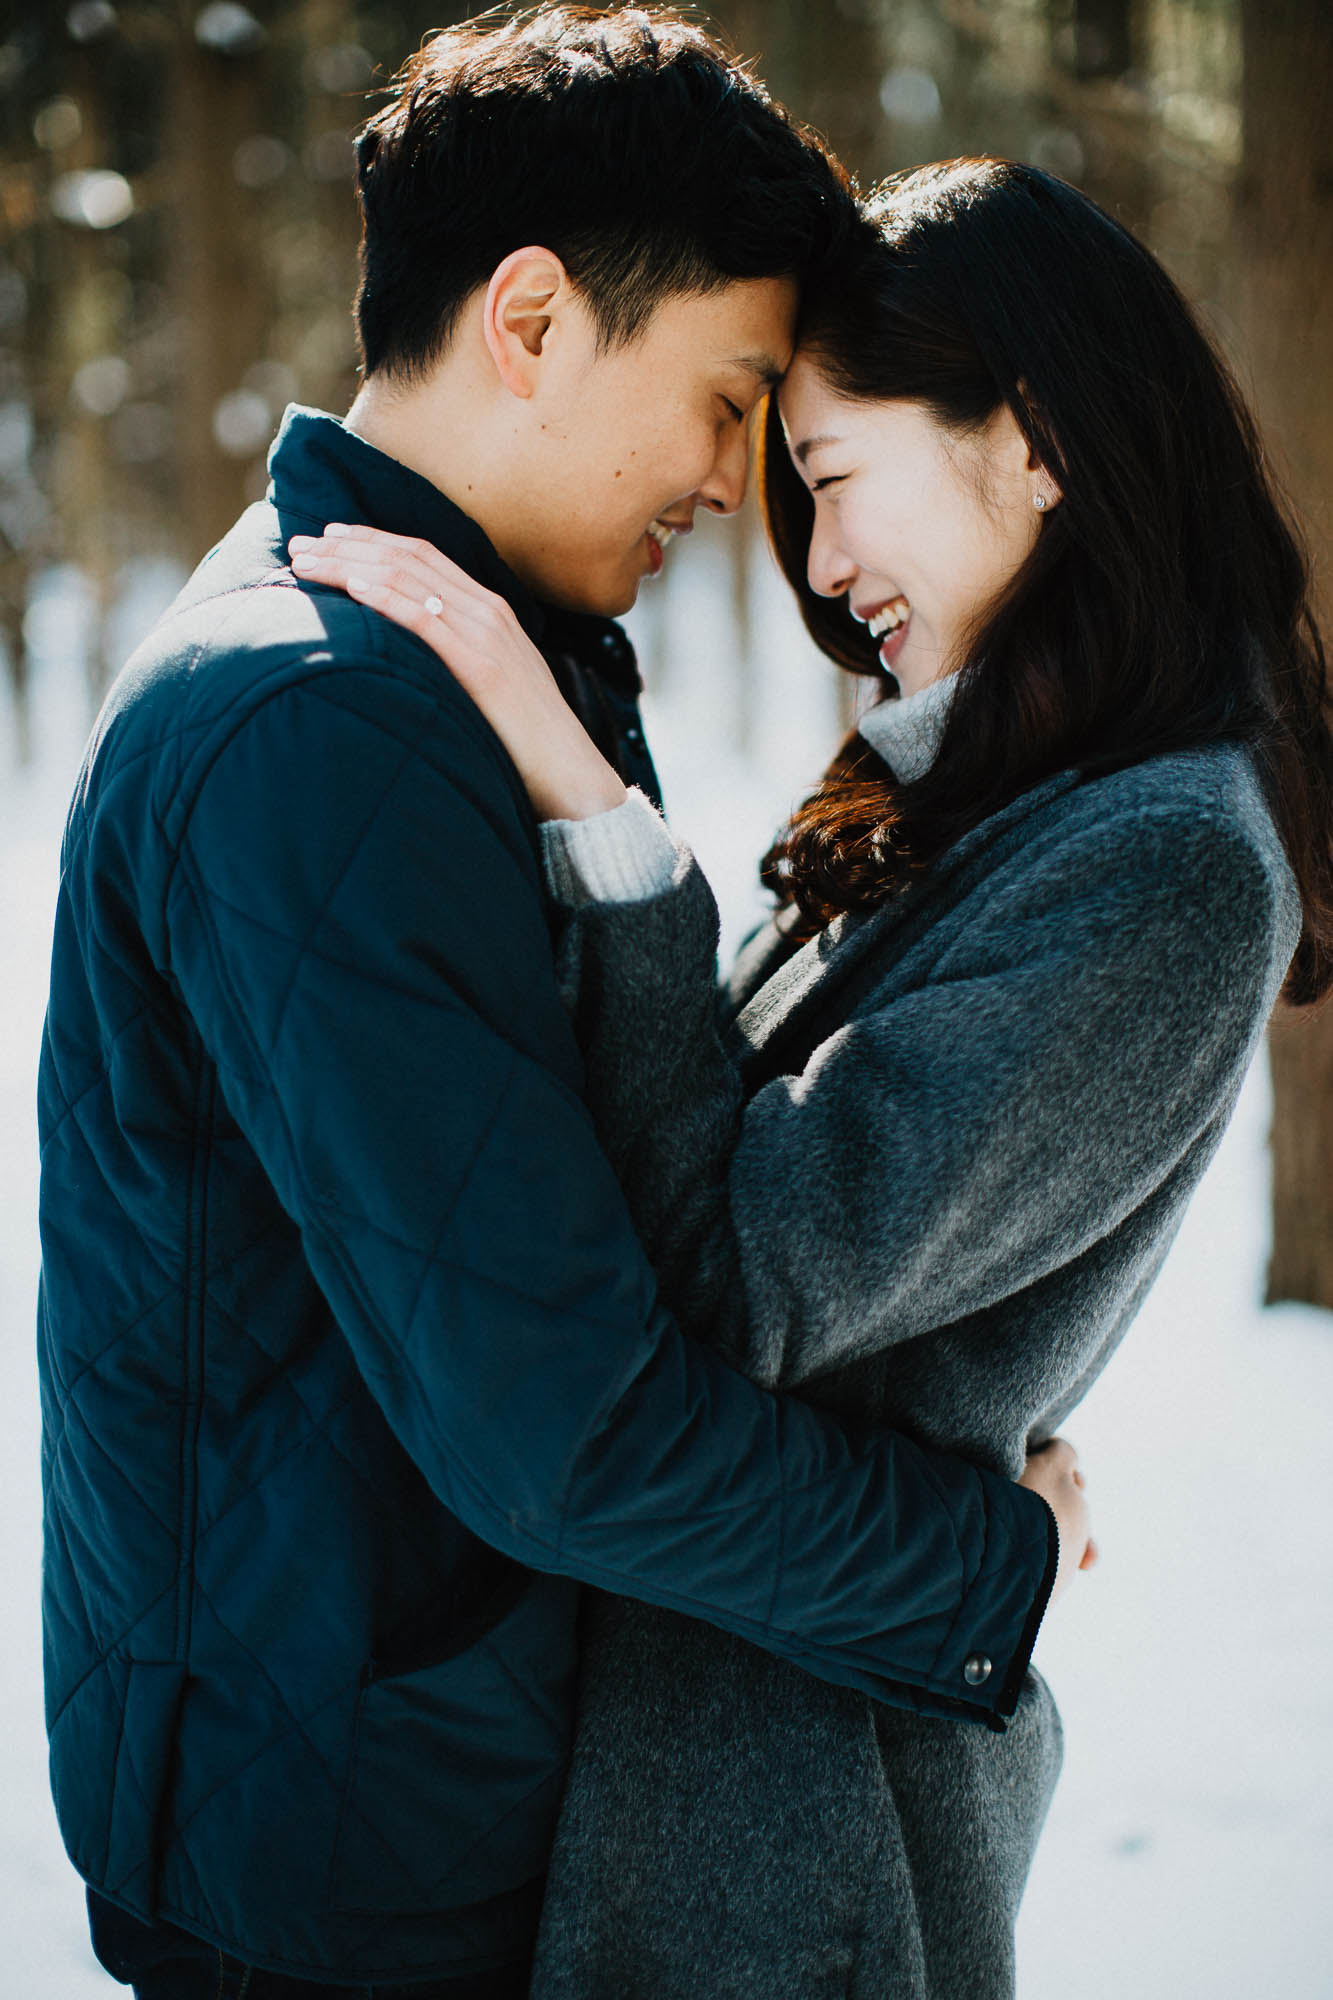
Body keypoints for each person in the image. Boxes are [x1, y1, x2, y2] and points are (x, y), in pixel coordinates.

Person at [35, 21, 1092, 2000]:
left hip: (410, 1774)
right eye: (722, 394)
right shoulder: (321, 722)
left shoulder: (456, 661)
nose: (729, 473)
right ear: (530, 321)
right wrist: (983, 1562)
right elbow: (560, 1430)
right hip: (353, 1866)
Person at [294, 157, 1333, 1997]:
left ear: (1037, 444)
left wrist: (587, 804)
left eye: (838, 486)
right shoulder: (978, 800)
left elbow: (730, 1272)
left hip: (797, 1837)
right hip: (697, 1747)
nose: (828, 576)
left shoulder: (1167, 865)